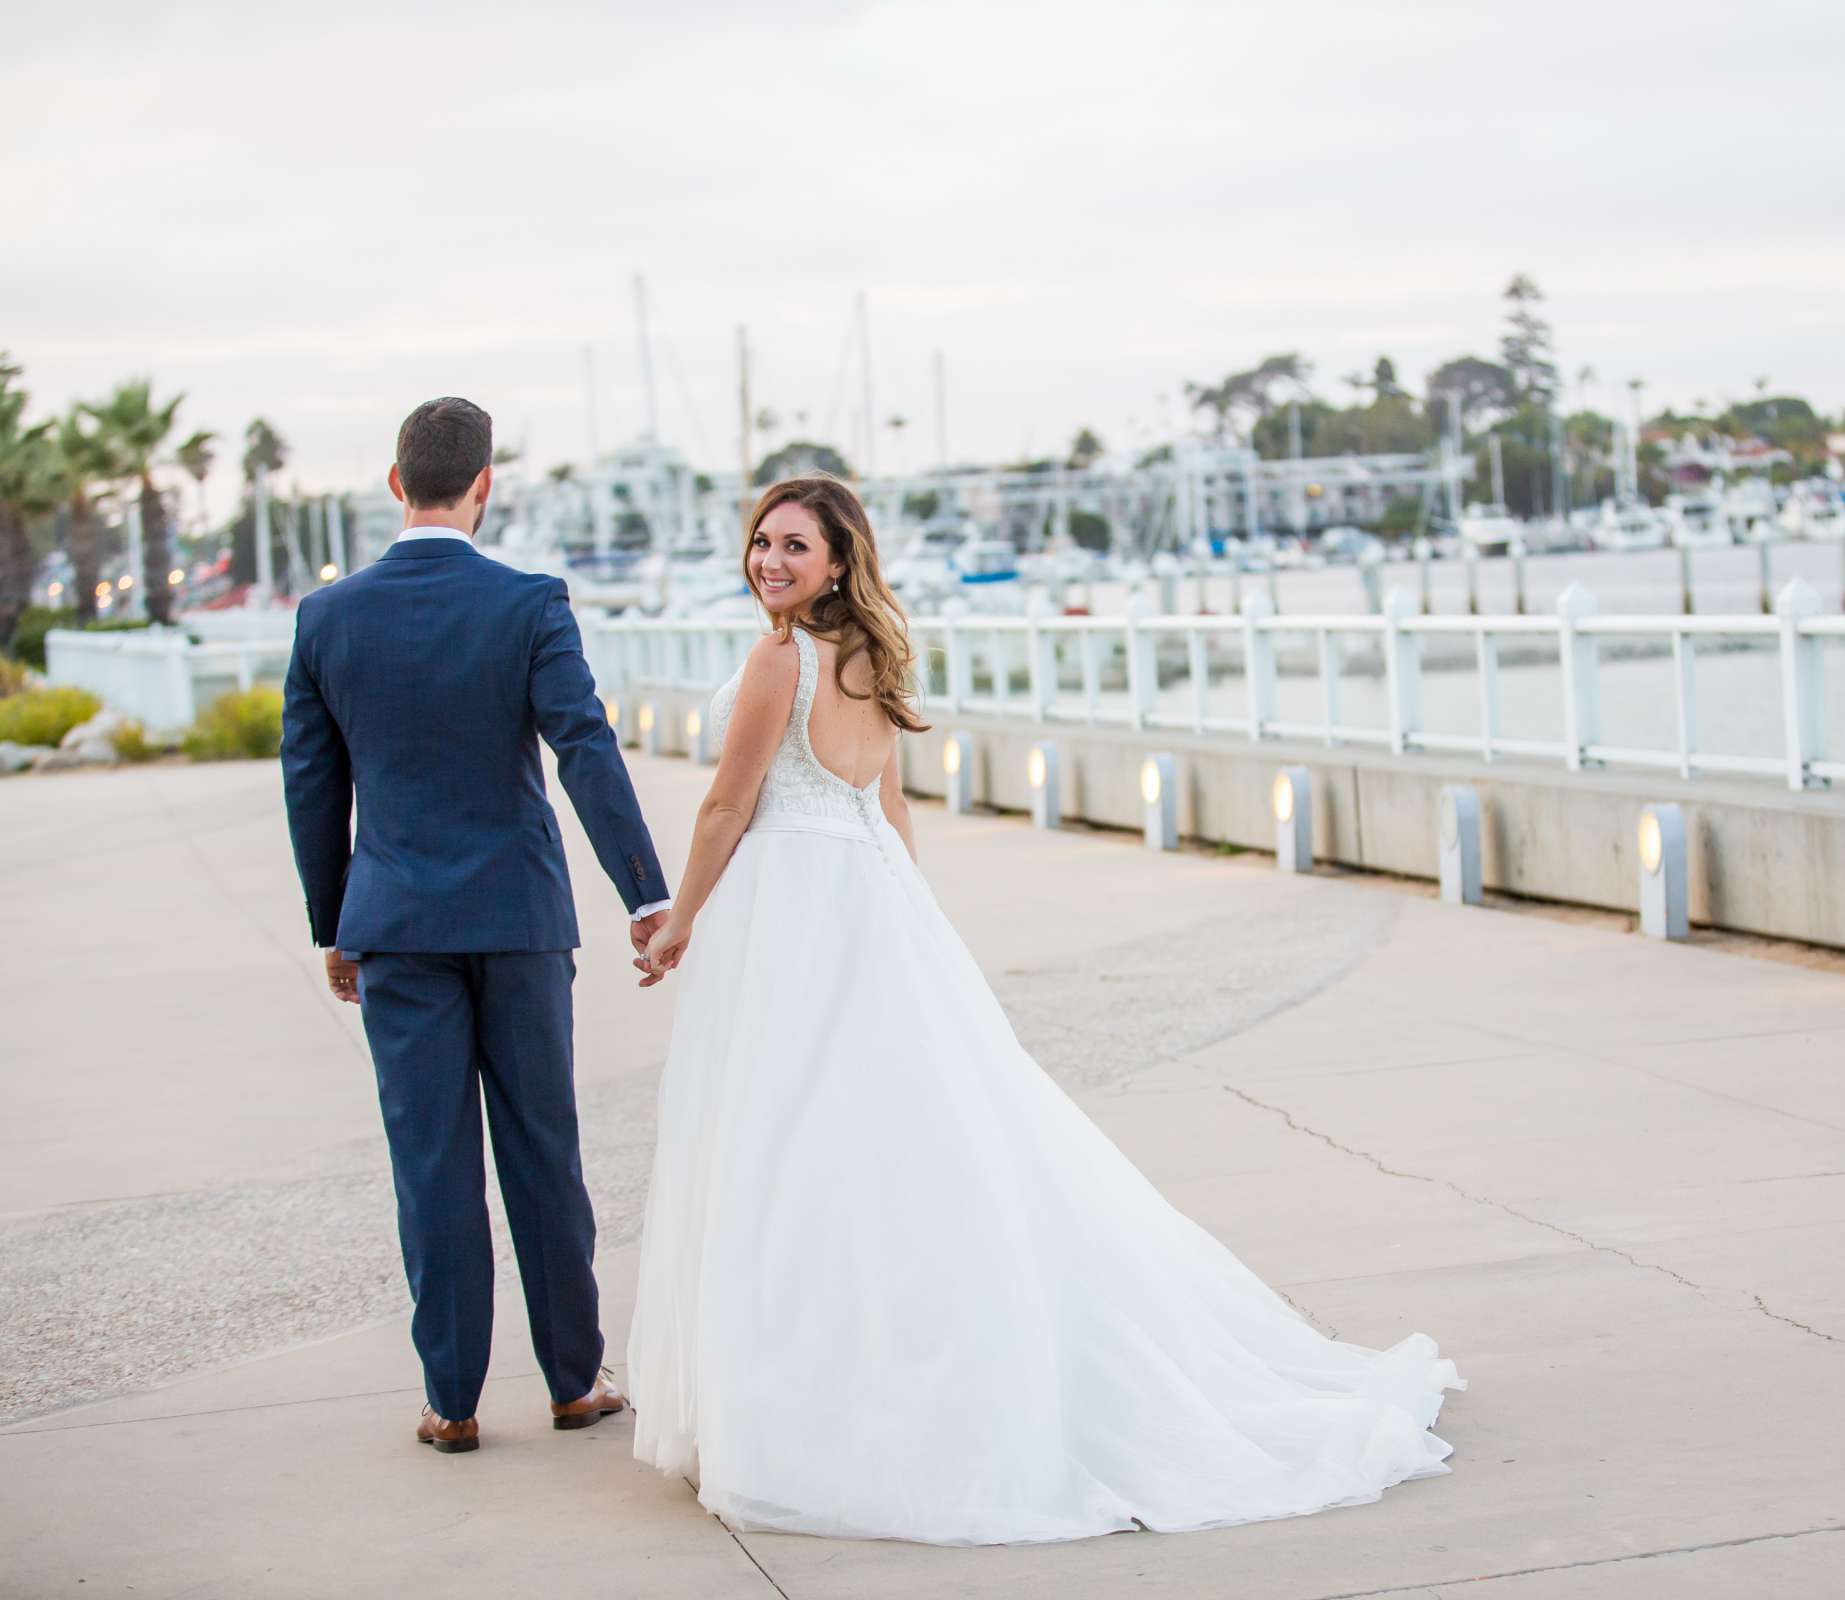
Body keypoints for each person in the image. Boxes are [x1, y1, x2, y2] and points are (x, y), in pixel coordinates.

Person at [625, 473, 1461, 1543]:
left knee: (790, 1147)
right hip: (870, 904)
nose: (770, 563)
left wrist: (678, 920)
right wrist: (908, 923)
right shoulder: (873, 652)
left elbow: (729, 806)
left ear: (839, 559)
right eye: (760, 544)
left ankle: (814, 1401)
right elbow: (887, 805)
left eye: (793, 546)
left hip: (796, 911)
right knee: (889, 1144)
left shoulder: (782, 657)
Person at [280, 397, 669, 1454]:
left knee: (432, 1161)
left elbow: (311, 787)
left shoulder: (327, 619)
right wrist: (646, 891)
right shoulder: (531, 602)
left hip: (396, 925)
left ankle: (451, 1399)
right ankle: (574, 1380)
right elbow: (584, 746)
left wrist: (336, 924)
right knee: (544, 1146)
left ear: (395, 484)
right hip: (520, 922)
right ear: (485, 484)